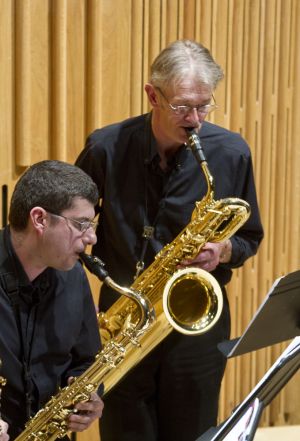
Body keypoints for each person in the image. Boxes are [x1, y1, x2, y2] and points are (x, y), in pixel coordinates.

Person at [75, 40, 264, 441]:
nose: (194, 118)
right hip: (123, 322)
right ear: (152, 95)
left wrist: (222, 251)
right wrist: (78, 306)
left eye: (203, 105)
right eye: (182, 107)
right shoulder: (106, 147)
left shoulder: (230, 153)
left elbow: (249, 236)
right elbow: (70, 233)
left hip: (195, 326)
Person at [0, 160, 104, 440]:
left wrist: (91, 395)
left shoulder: (74, 277)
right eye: (81, 224)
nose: (91, 237)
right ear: (40, 219)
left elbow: (87, 361)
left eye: (92, 224)